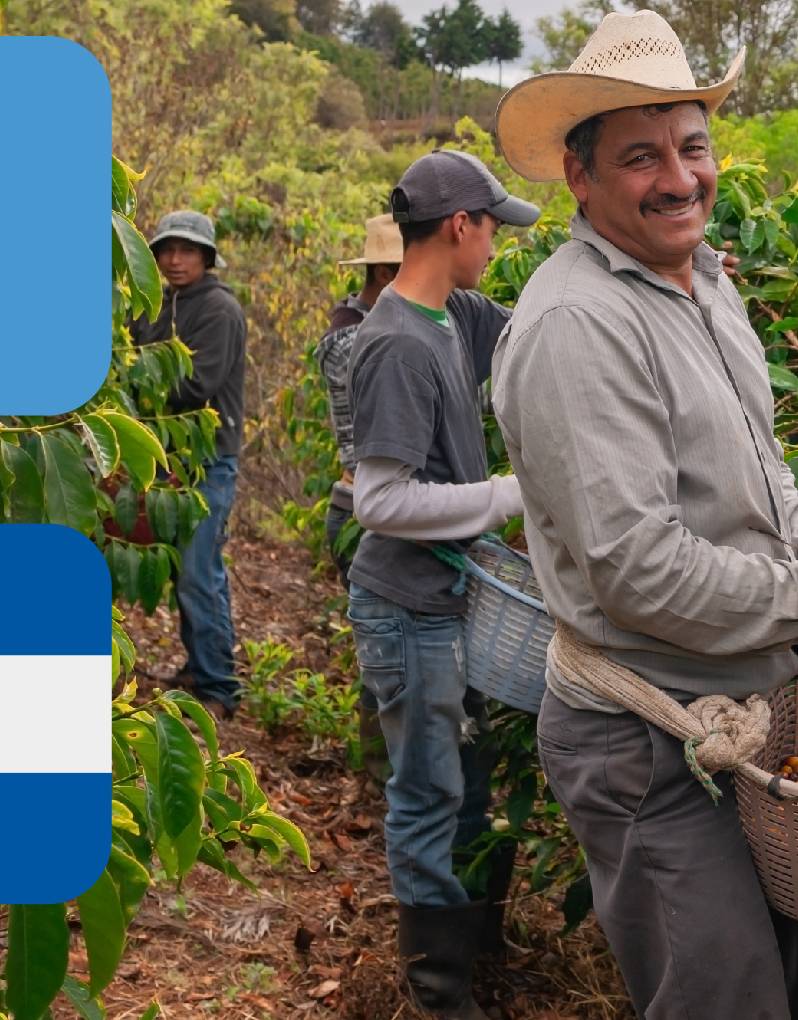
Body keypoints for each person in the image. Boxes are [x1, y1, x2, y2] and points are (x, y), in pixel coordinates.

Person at [490, 11, 798, 1020]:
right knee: (724, 1001)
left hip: (743, 722)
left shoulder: (699, 285)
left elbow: (759, 471)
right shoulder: (577, 326)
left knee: (771, 989)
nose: (678, 178)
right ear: (580, 176)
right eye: (640, 156)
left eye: (692, 147)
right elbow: (637, 570)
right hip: (646, 740)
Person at [346, 150, 540, 1020]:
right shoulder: (391, 344)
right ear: (459, 226)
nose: (497, 243)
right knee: (426, 792)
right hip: (404, 605)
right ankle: (436, 996)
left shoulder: (454, 315)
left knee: (463, 778)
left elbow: (541, 328)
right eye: (493, 226)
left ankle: (472, 949)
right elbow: (380, 500)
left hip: (449, 598)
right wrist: (509, 495)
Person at [130, 210, 247, 721]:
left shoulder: (219, 309)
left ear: (206, 257)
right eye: (167, 251)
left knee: (199, 570)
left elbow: (196, 385)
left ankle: (219, 686)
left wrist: (131, 379)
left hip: (208, 459)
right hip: (164, 458)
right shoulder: (153, 305)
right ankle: (201, 668)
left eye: (187, 251)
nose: (176, 260)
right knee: (190, 570)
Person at [314, 213, 403, 789]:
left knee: (391, 650)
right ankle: (385, 780)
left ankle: (393, 778)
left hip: (382, 506)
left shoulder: (388, 322)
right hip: (364, 512)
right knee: (386, 654)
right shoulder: (354, 337)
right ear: (383, 270)